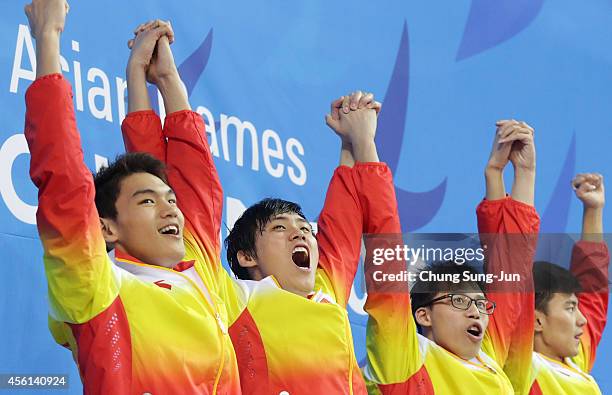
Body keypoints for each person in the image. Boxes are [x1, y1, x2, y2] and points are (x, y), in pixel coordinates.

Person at [122, 21, 399, 394]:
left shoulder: (326, 291)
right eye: (279, 228)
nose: (301, 232)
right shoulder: (231, 298)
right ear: (247, 257)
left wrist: (359, 140)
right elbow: (174, 187)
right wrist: (162, 81)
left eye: (304, 227)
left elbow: (356, 214)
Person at [23, 2, 239, 393]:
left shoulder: (199, 275)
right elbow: (63, 182)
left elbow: (194, 183)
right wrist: (48, 38)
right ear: (105, 228)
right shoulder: (99, 291)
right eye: (147, 202)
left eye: (170, 200)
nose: (171, 207)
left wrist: (160, 79)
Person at [363, 120, 540, 393]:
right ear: (423, 315)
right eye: (459, 301)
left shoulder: (488, 360)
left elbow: (513, 264)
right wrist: (363, 145)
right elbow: (386, 257)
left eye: (482, 305)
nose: (475, 312)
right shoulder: (406, 360)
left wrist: (517, 173)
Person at [529, 173, 608, 394]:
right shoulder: (519, 369)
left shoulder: (576, 360)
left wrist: (593, 210)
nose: (582, 320)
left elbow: (593, 289)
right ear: (537, 320)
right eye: (571, 308)